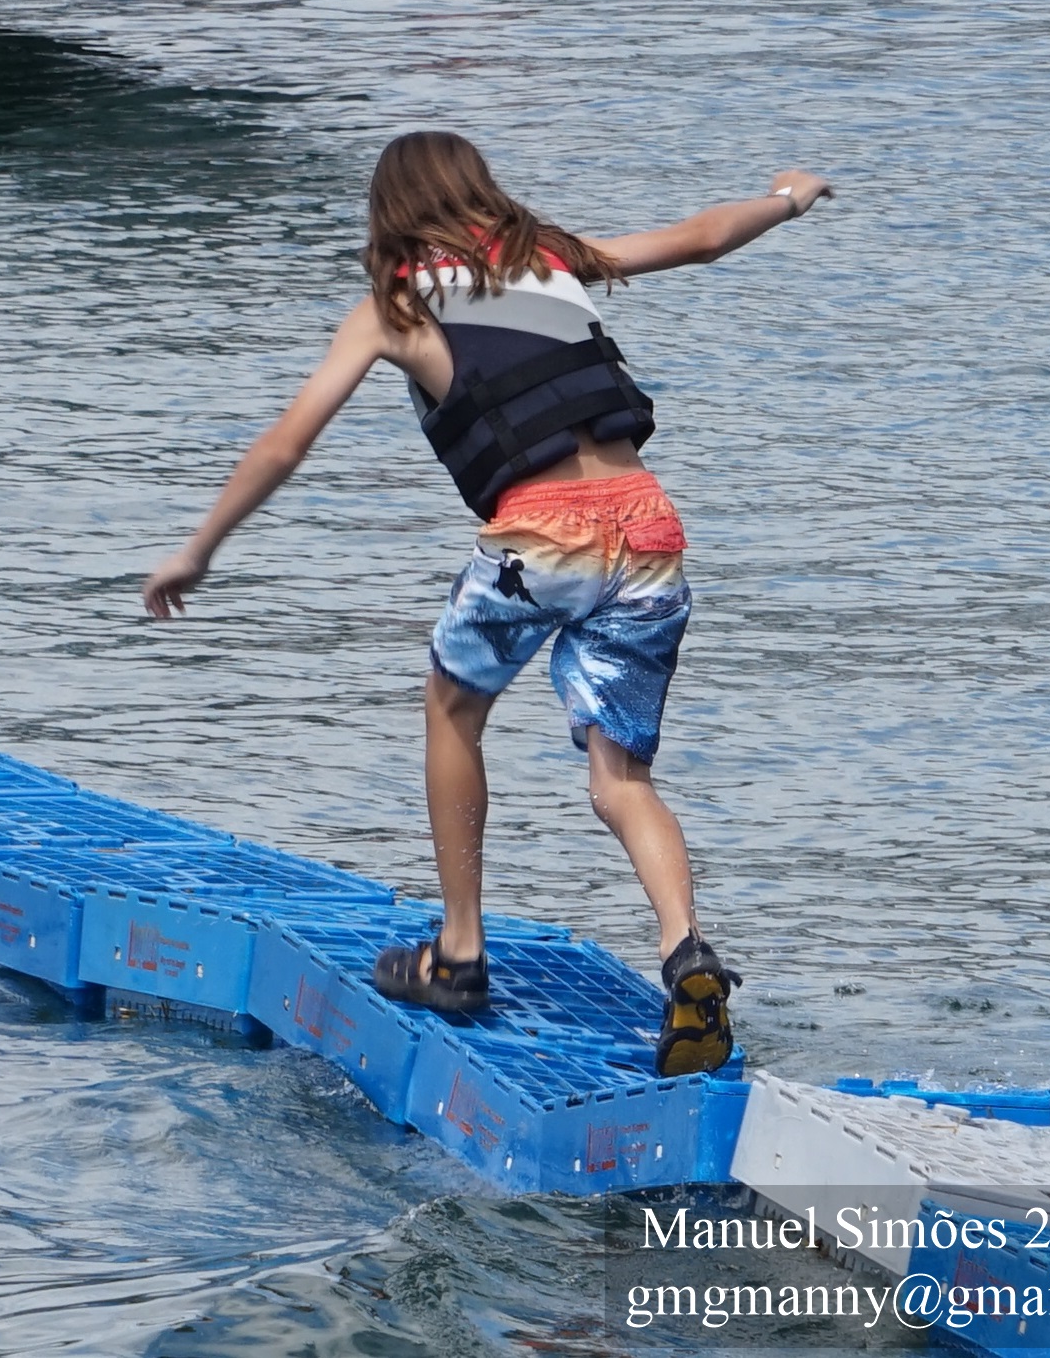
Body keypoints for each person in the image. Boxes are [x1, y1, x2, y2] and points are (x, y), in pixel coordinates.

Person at [141, 131, 832, 1076]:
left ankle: (459, 954)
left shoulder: (391, 309)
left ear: (389, 213)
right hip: (648, 527)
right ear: (479, 190)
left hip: (541, 536)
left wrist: (198, 548)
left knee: (451, 708)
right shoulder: (551, 258)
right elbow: (705, 238)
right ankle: (686, 951)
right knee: (621, 779)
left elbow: (285, 442)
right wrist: (787, 197)